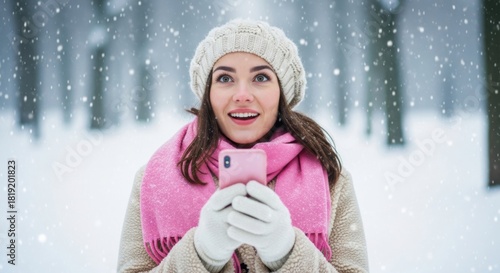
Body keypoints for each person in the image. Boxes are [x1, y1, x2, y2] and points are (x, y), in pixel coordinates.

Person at [117, 19, 369, 273]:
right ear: (208, 94)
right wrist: (201, 254)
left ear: (282, 93)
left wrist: (288, 253)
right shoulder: (153, 178)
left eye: (260, 77)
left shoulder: (330, 178)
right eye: (225, 78)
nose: (242, 95)